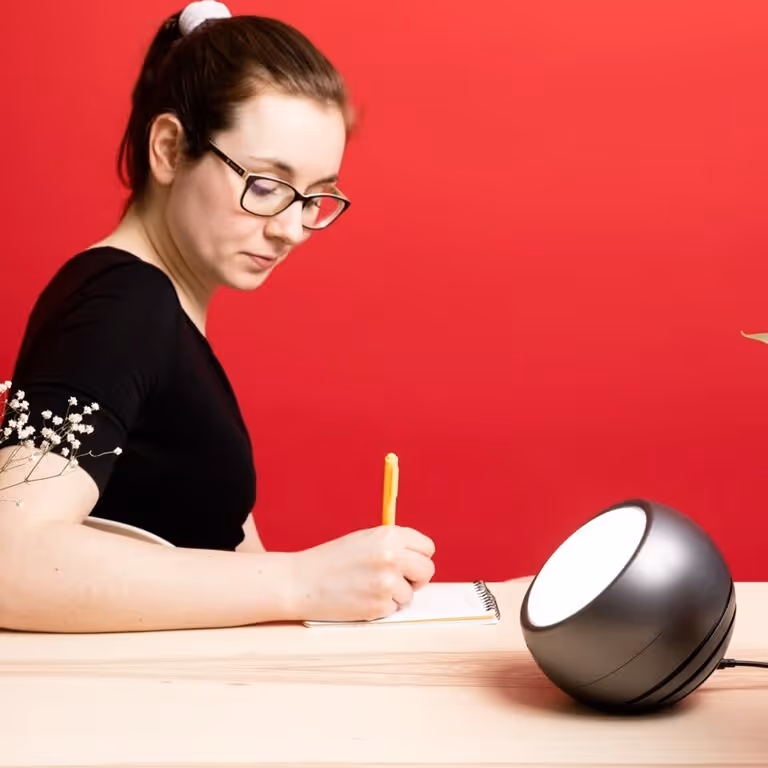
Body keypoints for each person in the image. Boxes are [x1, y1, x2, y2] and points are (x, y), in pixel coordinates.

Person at [0, 1, 435, 633]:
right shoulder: (122, 306)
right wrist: (301, 581)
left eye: (315, 198)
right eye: (264, 185)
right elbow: (12, 557)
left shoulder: (155, 309)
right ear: (171, 149)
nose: (291, 229)